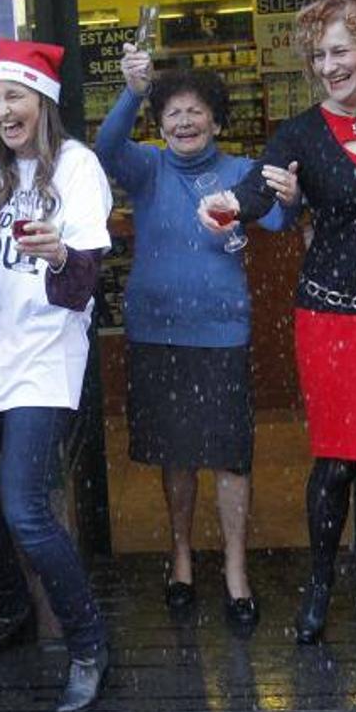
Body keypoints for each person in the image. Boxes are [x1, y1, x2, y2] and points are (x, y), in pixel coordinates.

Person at [199, 0, 356, 670]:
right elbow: (252, 192)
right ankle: (319, 587)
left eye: (338, 50)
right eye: (318, 54)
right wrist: (225, 205)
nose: (327, 65)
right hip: (329, 318)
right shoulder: (301, 133)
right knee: (333, 464)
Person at [0, 39, 113, 712]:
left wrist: (61, 251)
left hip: (43, 359)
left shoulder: (77, 167)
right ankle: (12, 606)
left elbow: (84, 285)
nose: (2, 108)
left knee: (25, 510)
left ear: (42, 103)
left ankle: (87, 644)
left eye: (14, 95)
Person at [94, 44, 274, 627]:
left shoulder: (241, 173)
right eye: (172, 112)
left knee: (230, 457)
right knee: (175, 455)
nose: (184, 121)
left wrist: (279, 199)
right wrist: (134, 90)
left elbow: (278, 216)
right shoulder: (147, 167)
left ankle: (236, 569)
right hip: (157, 331)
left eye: (196, 111)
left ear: (217, 120)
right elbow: (106, 148)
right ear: (161, 123)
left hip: (222, 334)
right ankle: (180, 558)